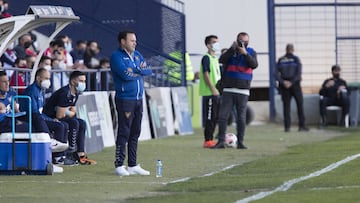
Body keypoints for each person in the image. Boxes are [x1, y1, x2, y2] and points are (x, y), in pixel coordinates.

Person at [110, 30, 152, 176]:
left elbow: (148, 71)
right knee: (124, 131)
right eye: (132, 40)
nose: (135, 43)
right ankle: (119, 164)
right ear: (123, 41)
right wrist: (138, 70)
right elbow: (125, 75)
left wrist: (136, 70)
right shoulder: (116, 56)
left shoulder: (137, 54)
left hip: (139, 99)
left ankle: (132, 164)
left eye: (135, 40)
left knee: (135, 132)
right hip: (125, 99)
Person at [212, 32, 258, 149]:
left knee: (241, 118)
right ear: (237, 40)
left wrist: (245, 54)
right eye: (241, 41)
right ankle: (221, 141)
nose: (243, 43)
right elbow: (221, 60)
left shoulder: (251, 52)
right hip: (228, 89)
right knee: (223, 116)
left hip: (243, 90)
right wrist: (232, 50)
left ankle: (241, 142)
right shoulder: (231, 51)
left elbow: (254, 65)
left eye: (246, 41)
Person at [19, 68, 71, 165]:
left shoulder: (40, 91)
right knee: (59, 126)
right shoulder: (32, 91)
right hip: (30, 119)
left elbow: (40, 112)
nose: (48, 81)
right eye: (46, 78)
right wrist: (49, 120)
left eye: (49, 78)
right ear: (38, 78)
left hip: (38, 117)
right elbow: (34, 113)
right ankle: (56, 156)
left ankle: (62, 156)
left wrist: (51, 120)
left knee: (63, 125)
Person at [43, 71, 96, 165]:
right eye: (81, 81)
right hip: (50, 117)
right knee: (74, 123)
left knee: (82, 123)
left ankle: (81, 154)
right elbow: (59, 115)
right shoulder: (64, 93)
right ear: (72, 82)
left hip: (60, 115)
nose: (83, 84)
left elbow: (73, 112)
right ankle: (70, 152)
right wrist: (67, 112)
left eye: (84, 81)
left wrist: (66, 112)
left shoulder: (76, 93)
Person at [275, 44, 309, 132]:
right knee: (300, 105)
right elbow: (298, 73)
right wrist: (291, 82)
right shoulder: (296, 59)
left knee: (286, 107)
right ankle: (302, 126)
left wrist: (283, 82)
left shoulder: (281, 60)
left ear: (286, 49)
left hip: (284, 85)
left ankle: (287, 127)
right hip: (295, 85)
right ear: (293, 49)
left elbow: (275, 74)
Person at [199, 35, 221, 148]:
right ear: (208, 45)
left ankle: (212, 138)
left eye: (217, 42)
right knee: (210, 117)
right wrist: (213, 89)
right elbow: (206, 74)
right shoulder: (206, 58)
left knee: (216, 116)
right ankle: (207, 140)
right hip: (209, 93)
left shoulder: (215, 58)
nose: (216, 44)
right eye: (214, 42)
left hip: (217, 92)